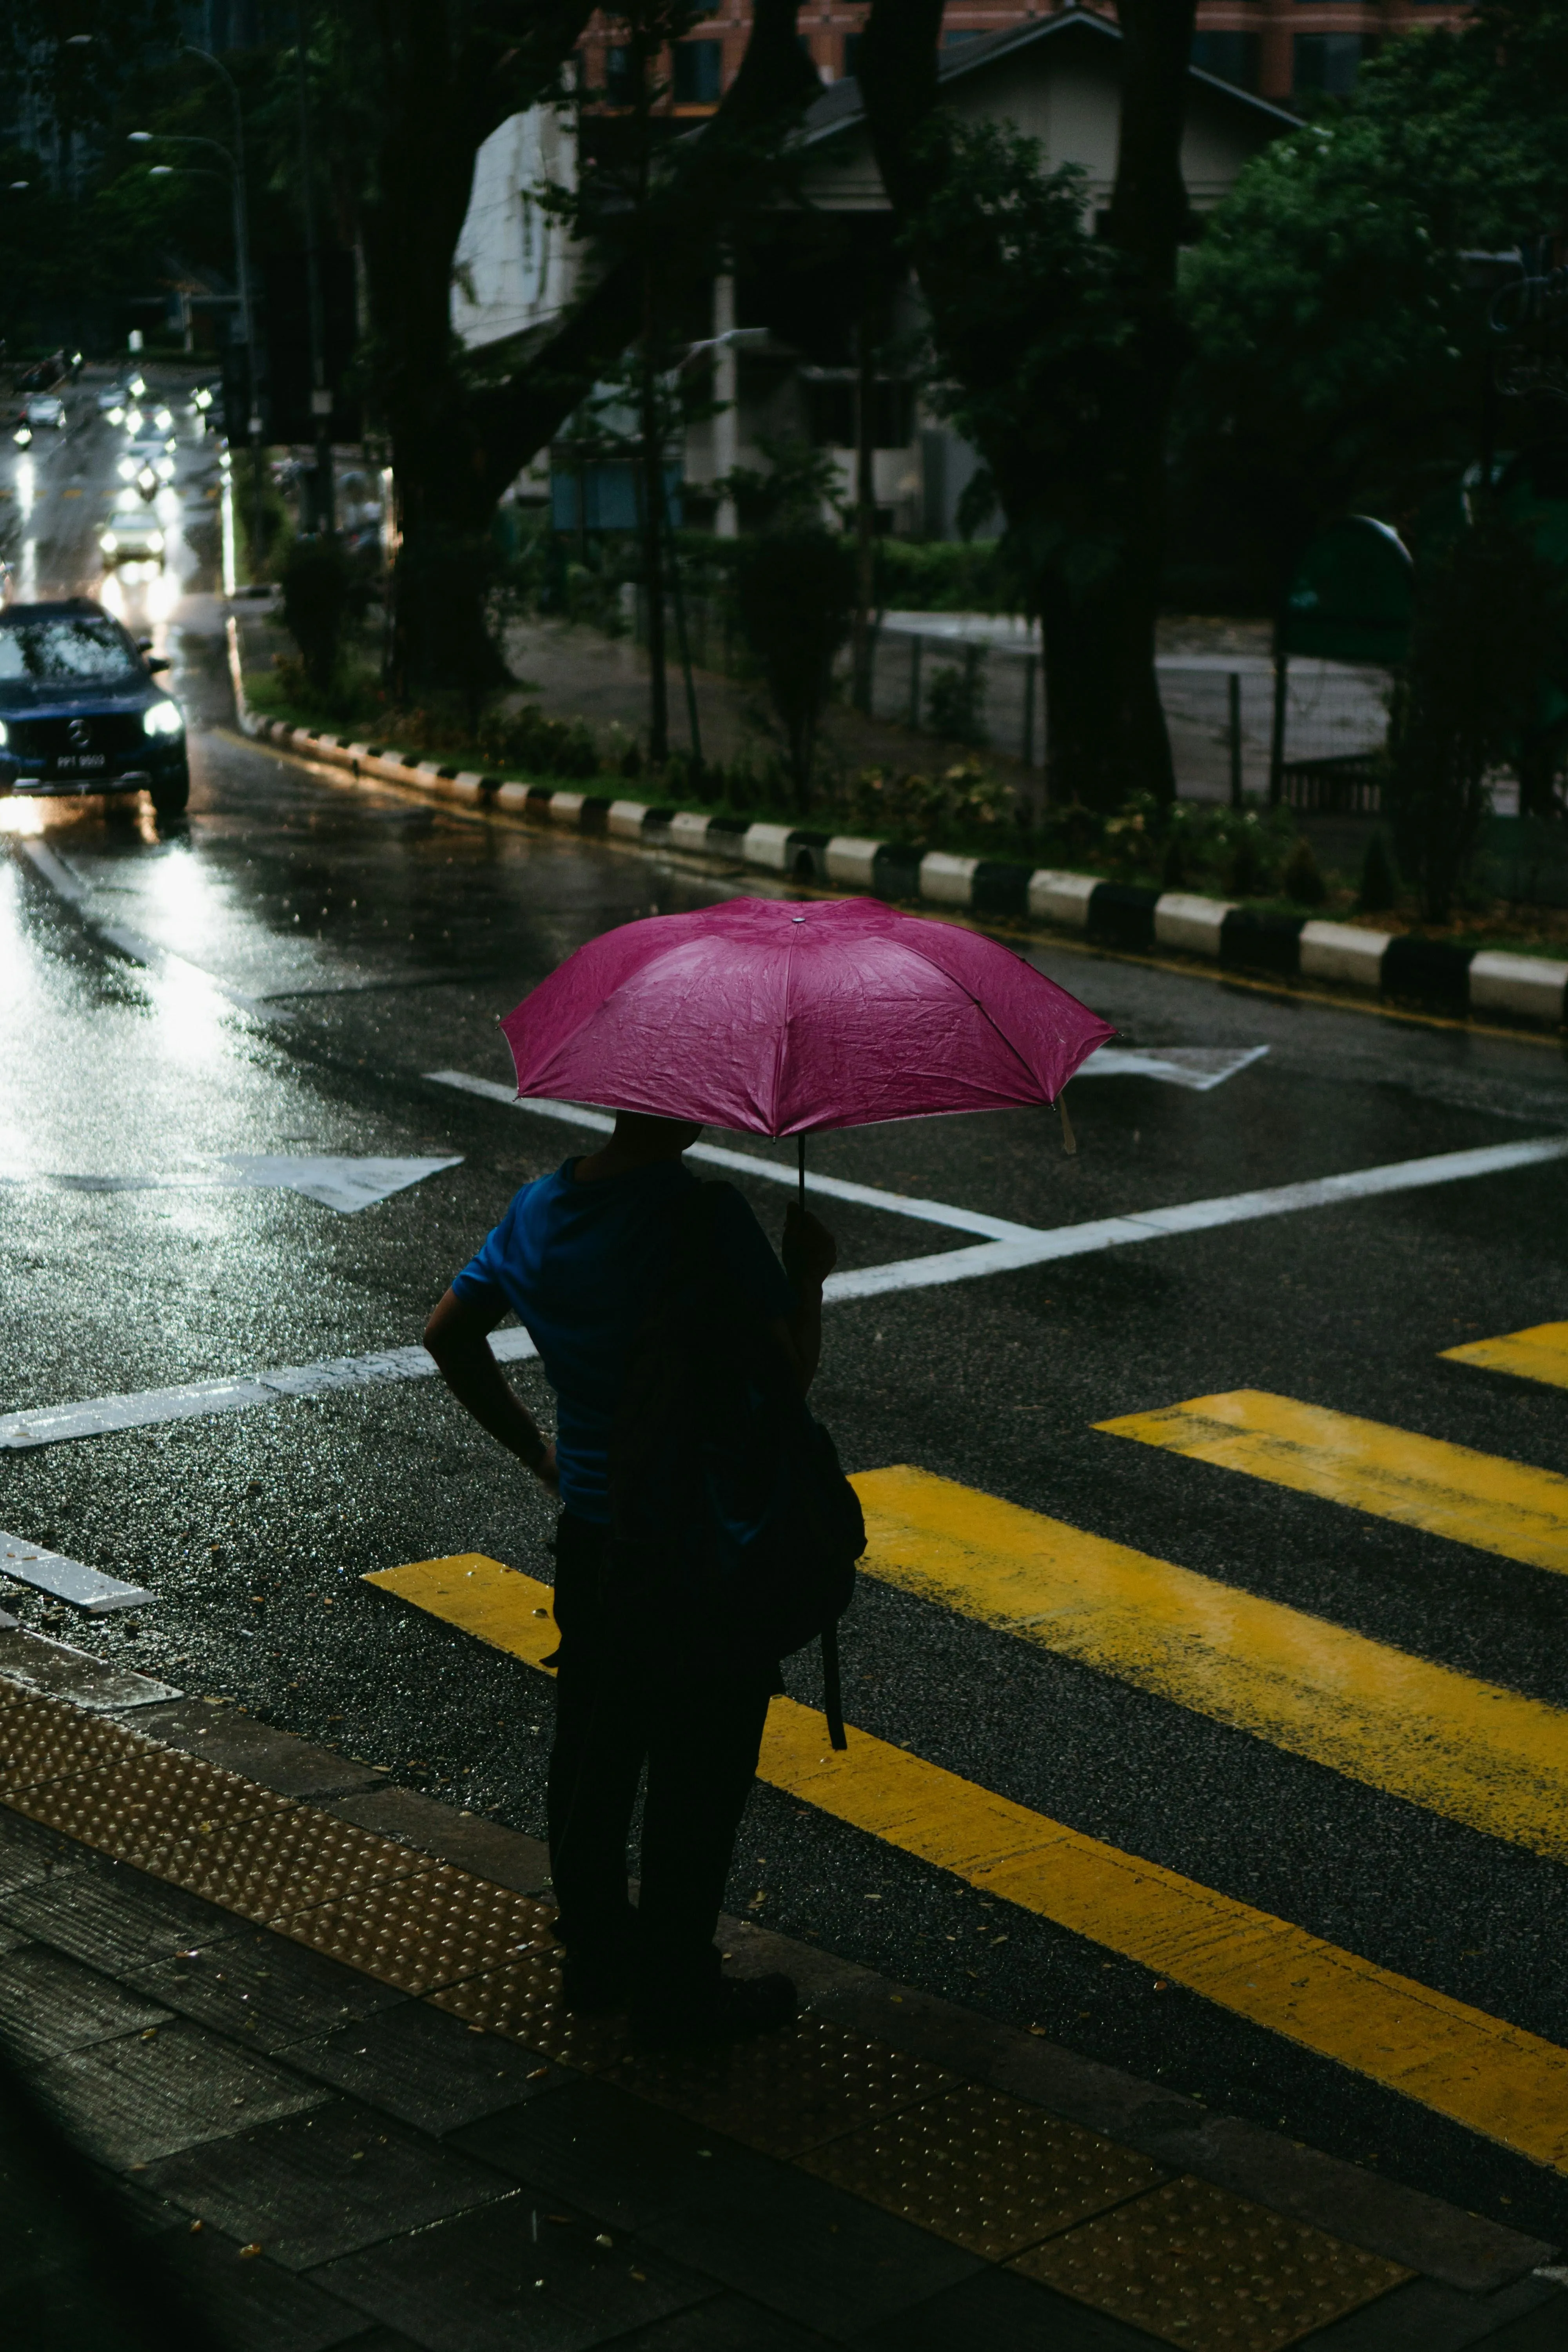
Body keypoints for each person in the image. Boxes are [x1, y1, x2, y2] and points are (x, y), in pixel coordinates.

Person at [424, 1109, 838, 2045]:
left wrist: (539, 1450)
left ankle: (597, 1958)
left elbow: (447, 1334)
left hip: (595, 1534)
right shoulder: (705, 1216)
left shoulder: (536, 1209)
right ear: (687, 1105)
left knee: (594, 1749)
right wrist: (806, 1275)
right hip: (698, 1545)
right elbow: (786, 1378)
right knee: (700, 1766)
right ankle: (675, 1990)